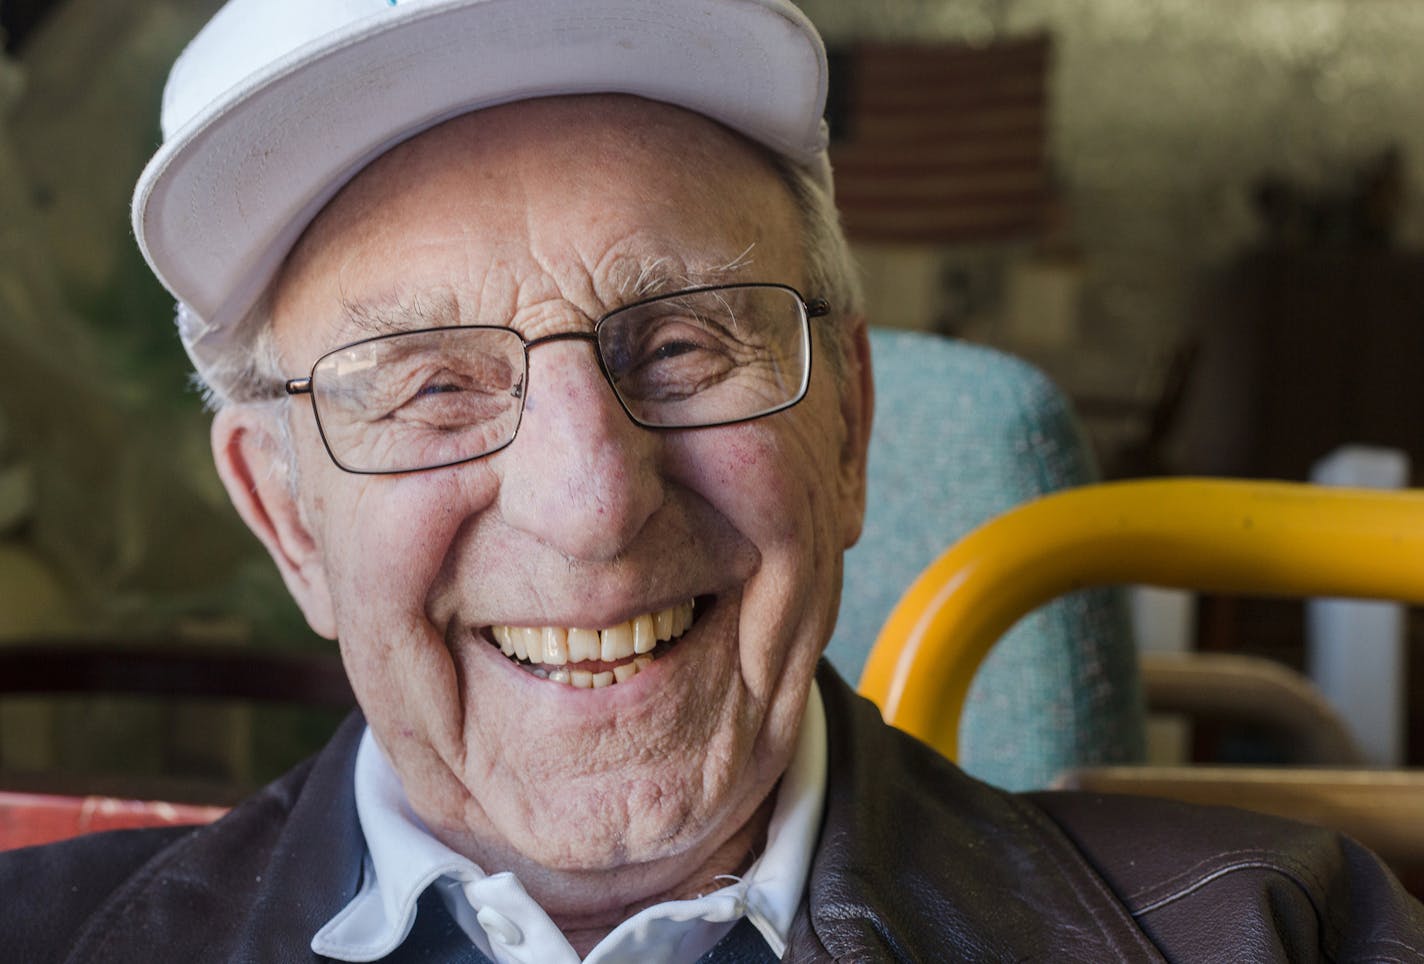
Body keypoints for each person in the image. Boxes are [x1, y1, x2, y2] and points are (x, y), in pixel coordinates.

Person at [3, 0, 1422, 960]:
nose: (592, 501)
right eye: (432, 384)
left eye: (681, 347)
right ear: (283, 514)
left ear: (848, 425)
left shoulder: (1266, 931)